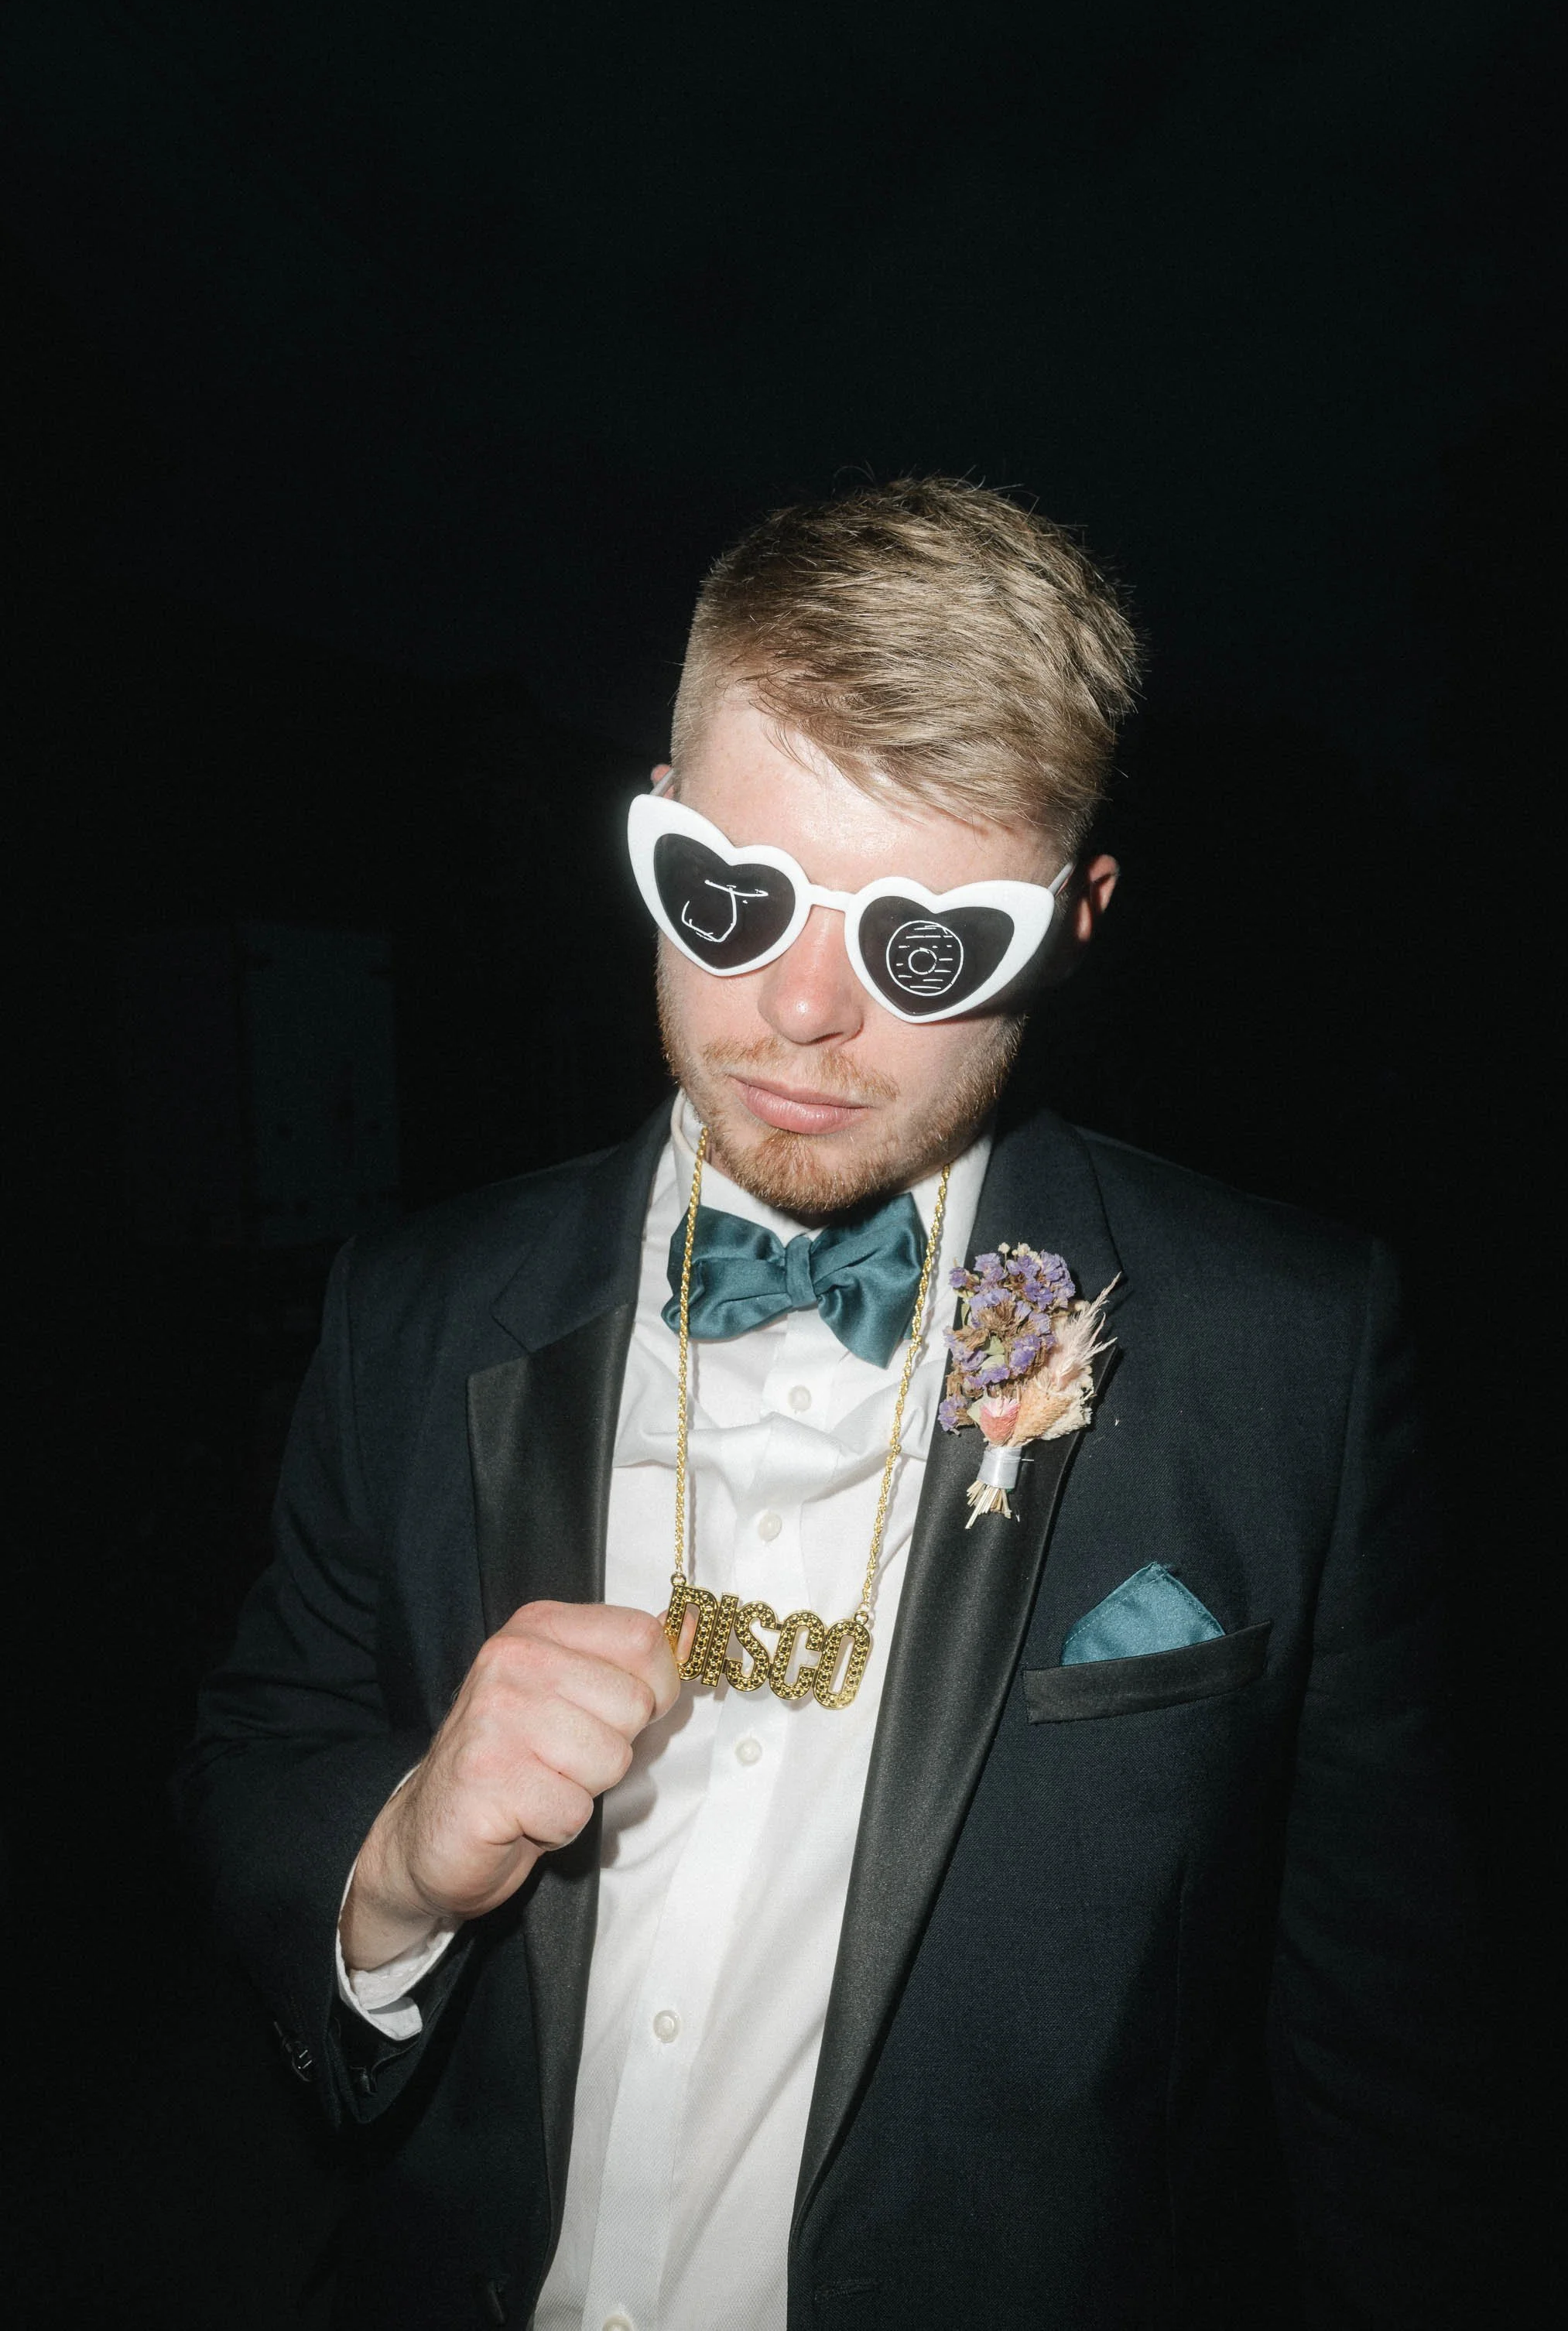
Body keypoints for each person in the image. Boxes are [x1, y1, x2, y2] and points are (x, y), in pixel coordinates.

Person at [175, 479, 1484, 2330]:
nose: (798, 1010)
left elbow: (1386, 2058)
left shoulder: (1292, 1352)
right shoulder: (414, 1303)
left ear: (1077, 915)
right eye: (731, 894)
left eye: (925, 942)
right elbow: (260, 1743)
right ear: (656, 825)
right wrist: (392, 1857)